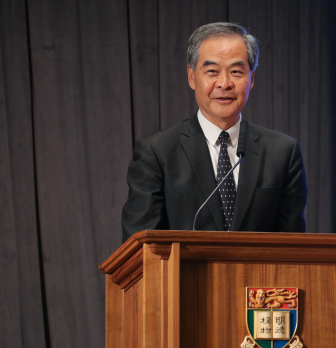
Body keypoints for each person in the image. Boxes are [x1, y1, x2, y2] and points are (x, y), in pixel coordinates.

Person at [121, 22, 308, 242]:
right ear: (191, 77)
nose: (224, 83)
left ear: (252, 79)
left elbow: (294, 248)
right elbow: (139, 250)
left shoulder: (283, 153)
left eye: (236, 72)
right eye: (212, 71)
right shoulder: (157, 153)